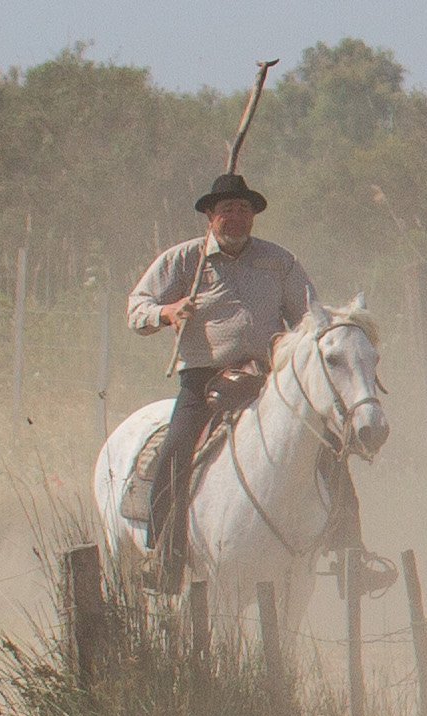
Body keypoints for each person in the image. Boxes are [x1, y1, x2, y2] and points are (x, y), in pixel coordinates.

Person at [124, 170, 315, 590]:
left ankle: (346, 545)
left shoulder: (280, 261)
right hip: (204, 380)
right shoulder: (184, 260)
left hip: (267, 380)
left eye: (244, 209)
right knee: (174, 454)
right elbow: (137, 308)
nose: (237, 217)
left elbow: (308, 317)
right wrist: (168, 312)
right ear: (210, 216)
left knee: (323, 445)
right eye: (227, 209)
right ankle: (164, 557)